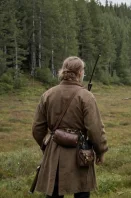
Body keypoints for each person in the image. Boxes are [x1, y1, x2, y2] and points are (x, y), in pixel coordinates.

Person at [32, 56, 108, 198]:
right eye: (83, 71)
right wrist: (101, 151)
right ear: (79, 72)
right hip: (81, 153)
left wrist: (46, 148)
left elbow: (37, 129)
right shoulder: (86, 96)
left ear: (63, 72)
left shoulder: (47, 95)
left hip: (54, 152)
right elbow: (95, 129)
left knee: (53, 193)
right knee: (82, 192)